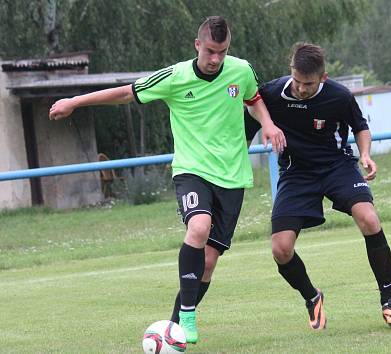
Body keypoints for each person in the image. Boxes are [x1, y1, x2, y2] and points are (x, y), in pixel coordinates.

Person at [49, 16, 286, 343]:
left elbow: (253, 98)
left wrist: (269, 124)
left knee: (208, 264)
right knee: (198, 227)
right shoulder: (175, 77)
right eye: (211, 51)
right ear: (197, 45)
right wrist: (75, 101)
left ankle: (172, 328)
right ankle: (186, 316)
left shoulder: (241, 70)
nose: (216, 59)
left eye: (223, 51)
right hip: (192, 171)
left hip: (232, 177)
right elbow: (125, 94)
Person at [245, 43, 391, 330]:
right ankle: (312, 297)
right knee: (281, 249)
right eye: (296, 81)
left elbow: (360, 128)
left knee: (369, 219)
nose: (301, 89)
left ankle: (389, 301)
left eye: (308, 83)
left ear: (324, 77)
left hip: (337, 166)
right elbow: (251, 114)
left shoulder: (339, 97)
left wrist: (366, 154)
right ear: (290, 72)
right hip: (296, 173)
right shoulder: (272, 92)